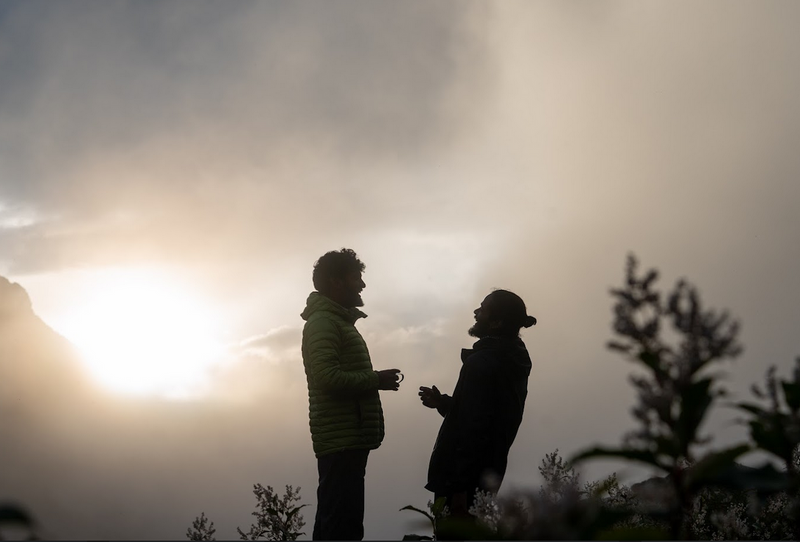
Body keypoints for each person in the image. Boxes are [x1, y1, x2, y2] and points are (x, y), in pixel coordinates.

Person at [300, 248, 402, 541]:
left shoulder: (336, 322)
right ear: (337, 282)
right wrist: (375, 380)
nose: (362, 284)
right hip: (341, 441)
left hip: (346, 439)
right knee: (341, 525)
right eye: (356, 277)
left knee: (338, 520)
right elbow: (326, 378)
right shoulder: (324, 323)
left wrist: (374, 381)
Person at [419, 289, 536, 524]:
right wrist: (443, 403)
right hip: (487, 475)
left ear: (496, 322)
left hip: (461, 482)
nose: (476, 312)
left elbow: (474, 429)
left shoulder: (482, 362)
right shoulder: (515, 357)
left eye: (482, 309)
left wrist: (460, 488)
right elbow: (484, 415)